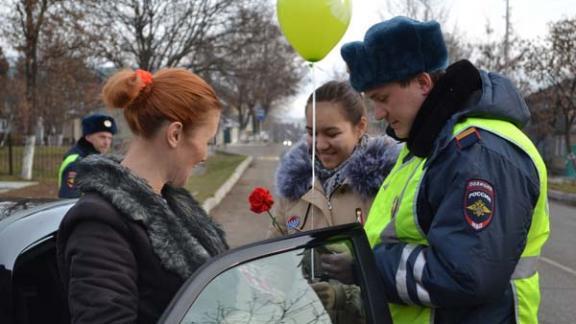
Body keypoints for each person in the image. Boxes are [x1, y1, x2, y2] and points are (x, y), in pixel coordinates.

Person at [338, 16, 550, 323]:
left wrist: (363, 267)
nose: (380, 114)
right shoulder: (430, 146)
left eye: (382, 99)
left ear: (424, 83)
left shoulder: (478, 152)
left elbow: (464, 273)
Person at [56, 68, 228, 323]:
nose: (205, 154)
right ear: (175, 134)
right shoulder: (98, 224)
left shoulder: (170, 204)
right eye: (207, 140)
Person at [268, 80, 400, 322]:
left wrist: (342, 296)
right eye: (311, 132)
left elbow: (398, 274)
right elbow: (274, 264)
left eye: (331, 133)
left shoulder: (388, 186)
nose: (319, 145)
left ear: (360, 126)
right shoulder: (293, 187)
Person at [58, 113, 117, 198]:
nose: (107, 142)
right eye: (102, 137)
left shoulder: (98, 158)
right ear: (88, 137)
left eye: (110, 138)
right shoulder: (76, 161)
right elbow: (69, 199)